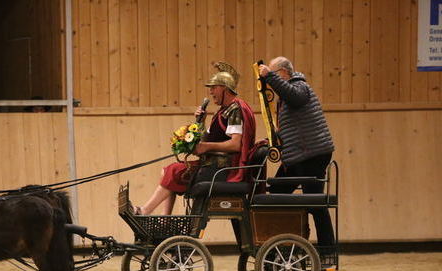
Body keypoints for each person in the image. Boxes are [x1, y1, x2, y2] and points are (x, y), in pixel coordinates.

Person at [136, 62, 256, 215]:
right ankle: (165, 218)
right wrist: (201, 121)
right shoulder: (222, 112)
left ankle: (145, 211)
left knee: (172, 171)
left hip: (221, 169)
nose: (211, 92)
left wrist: (207, 147)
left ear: (224, 88)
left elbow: (236, 145)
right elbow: (207, 138)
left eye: (213, 88)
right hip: (211, 163)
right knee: (167, 171)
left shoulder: (235, 110)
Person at [259, 56, 335, 249]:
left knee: (314, 202)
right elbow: (291, 127)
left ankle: (327, 248)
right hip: (300, 155)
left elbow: (296, 97)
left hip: (311, 154)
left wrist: (269, 76)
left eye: (275, 75)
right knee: (277, 193)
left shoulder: (299, 86)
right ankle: (288, 241)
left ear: (283, 72)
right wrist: (272, 139)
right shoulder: (287, 94)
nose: (272, 81)